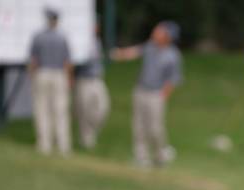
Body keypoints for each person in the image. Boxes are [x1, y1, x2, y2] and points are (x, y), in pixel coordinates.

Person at [111, 21, 182, 167]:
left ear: (167, 36)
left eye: (159, 31)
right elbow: (134, 52)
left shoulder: (173, 55)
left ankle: (159, 156)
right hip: (141, 90)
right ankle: (141, 157)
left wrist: (163, 96)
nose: (155, 32)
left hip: (156, 95)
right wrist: (119, 54)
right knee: (139, 126)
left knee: (155, 128)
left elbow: (173, 79)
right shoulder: (150, 46)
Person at [28, 7, 73, 155]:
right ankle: (63, 145)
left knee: (42, 109)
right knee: (60, 110)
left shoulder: (38, 36)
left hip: (42, 73)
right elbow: (67, 62)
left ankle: (44, 144)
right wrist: (69, 79)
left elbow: (33, 60)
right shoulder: (62, 38)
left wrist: (32, 76)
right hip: (59, 75)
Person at [74, 20, 110, 149]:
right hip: (84, 80)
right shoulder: (80, 41)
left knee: (102, 108)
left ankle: (91, 132)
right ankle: (86, 140)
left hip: (97, 79)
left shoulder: (97, 41)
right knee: (84, 111)